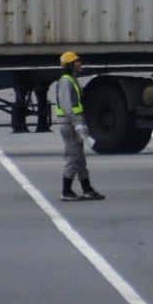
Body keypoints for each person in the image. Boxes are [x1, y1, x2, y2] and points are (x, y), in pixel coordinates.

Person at [52, 52, 105, 202]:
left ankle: (87, 189)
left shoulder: (71, 80)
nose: (79, 64)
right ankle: (66, 191)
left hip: (74, 123)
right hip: (70, 124)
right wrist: (78, 125)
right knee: (73, 156)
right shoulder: (66, 81)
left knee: (80, 158)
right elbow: (69, 107)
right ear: (69, 65)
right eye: (76, 62)